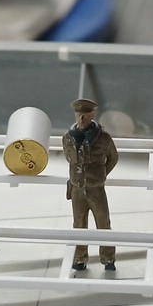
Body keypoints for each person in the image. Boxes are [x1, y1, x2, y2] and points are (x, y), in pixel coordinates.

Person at [63, 98, 119, 271]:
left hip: (96, 189)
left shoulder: (103, 138)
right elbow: (70, 160)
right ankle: (80, 258)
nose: (82, 119)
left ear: (92, 115)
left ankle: (108, 259)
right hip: (77, 189)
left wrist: (100, 175)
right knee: (79, 225)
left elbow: (113, 158)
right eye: (79, 115)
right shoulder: (68, 138)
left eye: (85, 115)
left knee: (103, 223)